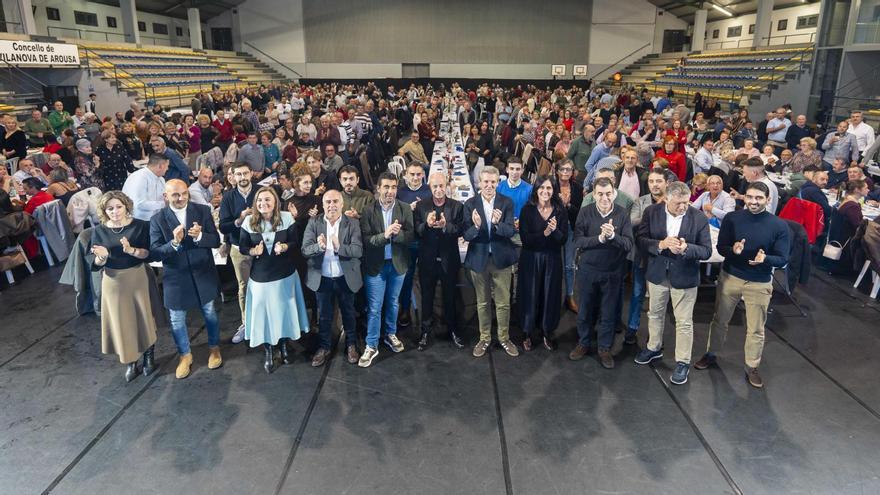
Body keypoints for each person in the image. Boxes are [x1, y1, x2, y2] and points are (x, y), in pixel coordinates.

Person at [695, 182, 790, 388]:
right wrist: (733, 251)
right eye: (750, 197)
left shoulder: (779, 225)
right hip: (731, 277)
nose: (753, 202)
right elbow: (721, 247)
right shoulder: (732, 218)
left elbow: (782, 259)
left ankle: (751, 366)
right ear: (744, 198)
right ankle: (711, 354)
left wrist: (765, 259)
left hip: (760, 282)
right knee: (719, 319)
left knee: (756, 328)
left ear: (768, 199)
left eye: (758, 198)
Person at [633, 181, 712, 384]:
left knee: (684, 321)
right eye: (678, 203)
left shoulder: (699, 218)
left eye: (686, 202)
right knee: (655, 314)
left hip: (685, 276)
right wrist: (660, 244)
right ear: (667, 198)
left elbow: (706, 251)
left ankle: (683, 362)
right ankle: (653, 347)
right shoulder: (651, 212)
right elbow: (641, 240)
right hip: (658, 273)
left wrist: (686, 249)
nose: (683, 207)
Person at [149, 179, 222, 379]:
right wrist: (173, 243)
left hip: (203, 272)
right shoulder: (157, 220)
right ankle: (185, 355)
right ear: (166, 197)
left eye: (184, 193)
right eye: (175, 195)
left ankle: (215, 348)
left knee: (210, 313)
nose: (181, 198)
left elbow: (215, 241)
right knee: (177, 320)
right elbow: (154, 253)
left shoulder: (203, 211)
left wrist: (200, 237)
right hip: (176, 277)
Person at [239, 186, 310, 373]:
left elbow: (296, 243)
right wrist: (253, 251)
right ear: (255, 203)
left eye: (268, 200)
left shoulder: (287, 218)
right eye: (260, 200)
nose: (263, 203)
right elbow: (243, 247)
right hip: (260, 278)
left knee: (284, 313)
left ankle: (285, 345)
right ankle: (270, 350)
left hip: (285, 275)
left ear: (275, 202)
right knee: (266, 316)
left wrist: (285, 246)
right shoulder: (248, 221)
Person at [90, 191, 158, 382]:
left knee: (144, 318)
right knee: (123, 323)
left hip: (137, 276)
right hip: (113, 281)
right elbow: (96, 264)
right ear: (104, 211)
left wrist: (131, 250)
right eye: (110, 208)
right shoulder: (99, 230)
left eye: (119, 206)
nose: (115, 211)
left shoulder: (141, 226)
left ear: (126, 206)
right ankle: (131, 361)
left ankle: (148, 356)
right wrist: (102, 257)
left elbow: (148, 254)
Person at [570, 177, 633, 369]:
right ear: (594, 194)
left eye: (608, 193)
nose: (604, 198)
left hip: (613, 272)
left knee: (608, 313)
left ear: (613, 193)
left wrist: (613, 237)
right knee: (585, 310)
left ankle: (604, 348)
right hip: (588, 271)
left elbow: (628, 244)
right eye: (600, 194)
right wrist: (599, 238)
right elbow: (578, 242)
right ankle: (584, 343)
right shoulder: (585, 212)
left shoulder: (622, 214)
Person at [301, 189, 363, 367]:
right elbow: (305, 250)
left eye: (335, 201)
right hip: (323, 278)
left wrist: (339, 247)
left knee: (349, 314)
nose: (331, 205)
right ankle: (324, 347)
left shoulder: (352, 223)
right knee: (324, 316)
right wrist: (319, 247)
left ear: (342, 204)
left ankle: (351, 344)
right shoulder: (314, 222)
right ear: (323, 205)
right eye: (328, 202)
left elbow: (358, 250)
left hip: (345, 277)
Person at [358, 172, 414, 367]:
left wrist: (397, 235)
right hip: (375, 266)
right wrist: (385, 235)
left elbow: (410, 237)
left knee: (393, 303)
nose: (390, 191)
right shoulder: (367, 211)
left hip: (398, 264)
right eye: (386, 187)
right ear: (378, 189)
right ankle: (371, 344)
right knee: (374, 307)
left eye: (393, 187)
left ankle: (390, 334)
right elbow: (366, 241)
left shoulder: (405, 208)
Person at [463, 166, 519, 358]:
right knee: (483, 303)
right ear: (479, 182)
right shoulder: (470, 204)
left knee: (503, 303)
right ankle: (484, 338)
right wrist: (477, 226)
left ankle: (504, 337)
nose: (489, 185)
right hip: (479, 259)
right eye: (485, 182)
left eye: (492, 182)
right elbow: (466, 235)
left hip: (501, 259)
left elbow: (511, 231)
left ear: (498, 182)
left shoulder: (506, 203)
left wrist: (496, 224)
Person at [414, 172, 465, 351]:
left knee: (450, 297)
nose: (438, 189)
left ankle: (453, 330)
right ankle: (425, 331)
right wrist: (426, 225)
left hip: (449, 259)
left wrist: (446, 226)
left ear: (447, 186)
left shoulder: (457, 206)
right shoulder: (421, 206)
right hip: (427, 259)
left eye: (441, 186)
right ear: (430, 186)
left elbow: (461, 230)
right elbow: (416, 230)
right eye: (435, 186)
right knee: (426, 297)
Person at [518, 175, 567, 351]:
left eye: (549, 188)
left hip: (552, 259)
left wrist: (554, 231)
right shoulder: (527, 211)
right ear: (536, 189)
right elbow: (525, 239)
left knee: (550, 295)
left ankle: (547, 331)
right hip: (531, 259)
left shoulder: (560, 211)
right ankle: (526, 332)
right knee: (530, 294)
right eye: (542, 188)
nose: (545, 192)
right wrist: (545, 233)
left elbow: (563, 239)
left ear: (554, 191)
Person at [219, 163, 257, 344]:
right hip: (239, 248)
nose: (242, 177)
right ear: (233, 176)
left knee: (266, 286)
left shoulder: (261, 191)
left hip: (262, 247)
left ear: (251, 174)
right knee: (244, 287)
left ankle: (265, 321)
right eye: (239, 174)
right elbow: (223, 225)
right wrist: (240, 220)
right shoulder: (228, 197)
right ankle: (246, 323)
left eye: (245, 173)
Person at [395, 161, 431, 327]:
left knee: (426, 277)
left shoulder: (430, 191)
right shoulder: (399, 193)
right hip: (408, 241)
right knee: (406, 277)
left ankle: (428, 311)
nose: (416, 178)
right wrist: (408, 209)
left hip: (426, 240)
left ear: (423, 175)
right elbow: (394, 219)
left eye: (419, 174)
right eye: (412, 174)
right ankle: (405, 309)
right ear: (405, 175)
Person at [122, 154, 168, 221]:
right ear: (160, 166)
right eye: (167, 166)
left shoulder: (161, 179)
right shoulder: (139, 177)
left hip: (156, 219)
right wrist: (164, 204)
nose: (167, 169)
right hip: (139, 220)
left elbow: (164, 197)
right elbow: (139, 204)